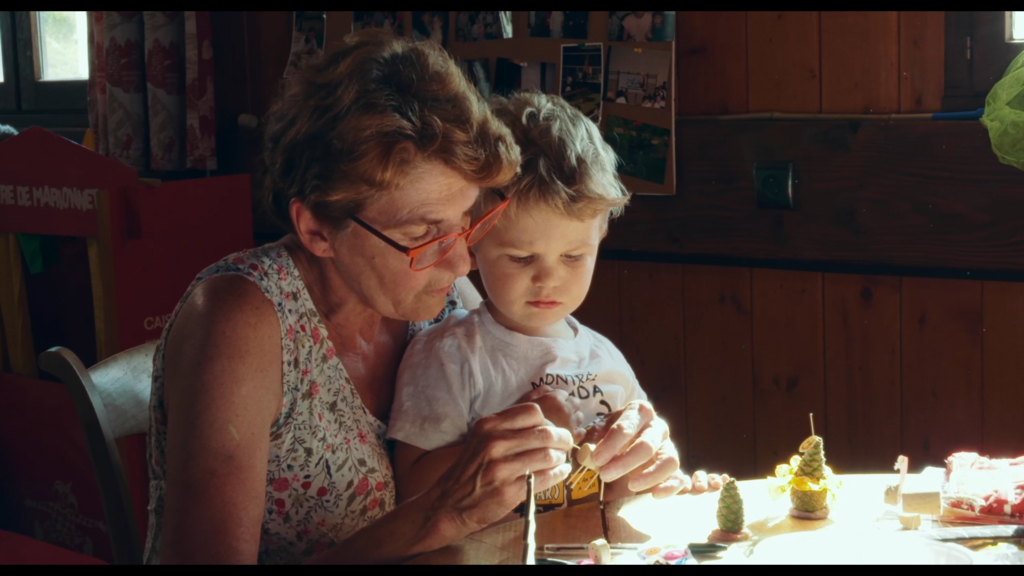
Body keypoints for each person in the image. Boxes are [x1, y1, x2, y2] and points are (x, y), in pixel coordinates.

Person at [146, 29, 575, 565]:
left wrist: (592, 431)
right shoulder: (240, 322)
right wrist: (438, 514)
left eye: (467, 220)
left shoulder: (438, 300)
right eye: (423, 233)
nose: (461, 261)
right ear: (318, 229)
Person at [389, 91, 727, 514]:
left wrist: (658, 477)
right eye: (521, 258)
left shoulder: (605, 357)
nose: (548, 278)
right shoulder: (449, 355)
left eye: (573, 257)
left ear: (600, 237)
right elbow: (412, 492)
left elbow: (623, 482)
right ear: (472, 241)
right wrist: (525, 436)